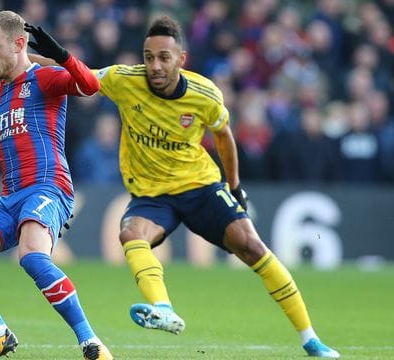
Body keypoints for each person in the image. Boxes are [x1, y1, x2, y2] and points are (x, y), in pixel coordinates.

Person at [32, 16, 339, 358]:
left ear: (181, 59)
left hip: (200, 186)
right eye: (149, 57)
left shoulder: (204, 93)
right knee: (131, 234)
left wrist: (234, 186)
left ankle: (311, 339)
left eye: (164, 57)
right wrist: (35, 56)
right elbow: (83, 75)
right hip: (151, 194)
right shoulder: (124, 79)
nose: (155, 65)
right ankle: (162, 308)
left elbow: (224, 136)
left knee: (252, 246)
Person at [0, 11, 113, 360]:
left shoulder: (45, 78)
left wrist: (60, 55)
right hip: (11, 198)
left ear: (19, 45)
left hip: (49, 188)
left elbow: (91, 86)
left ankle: (92, 343)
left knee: (31, 256)